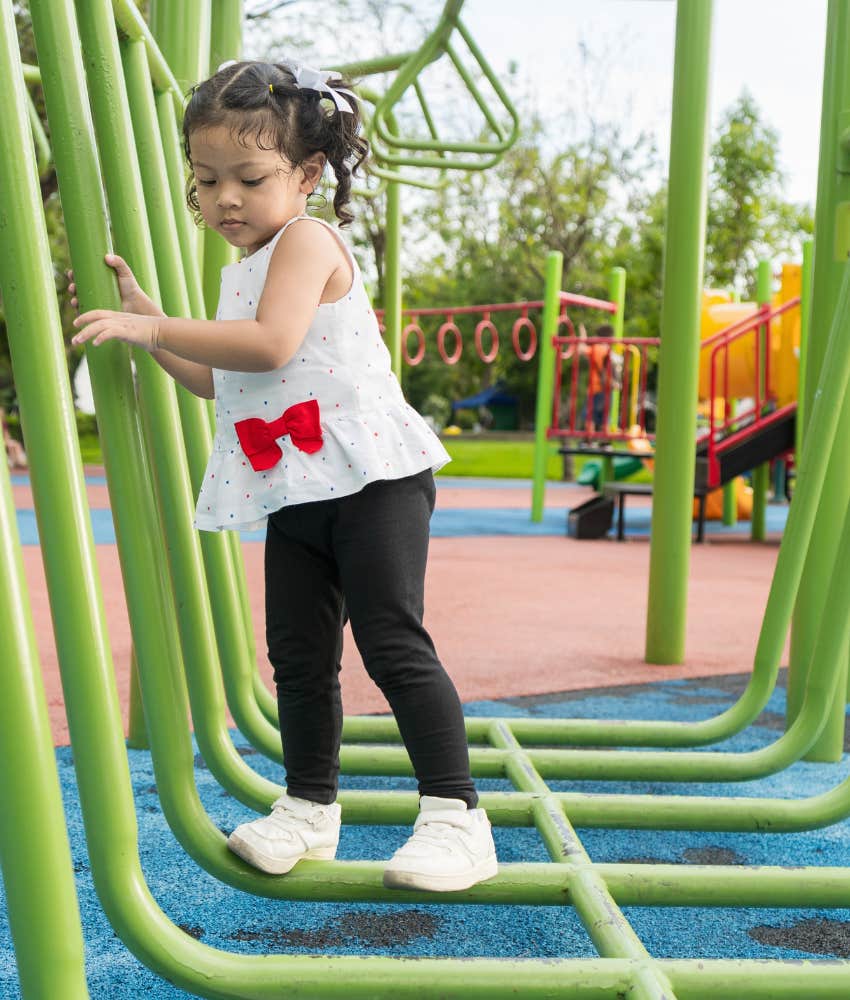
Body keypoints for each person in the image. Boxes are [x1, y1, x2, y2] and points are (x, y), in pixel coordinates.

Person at [68, 59, 497, 893]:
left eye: (249, 178)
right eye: (206, 180)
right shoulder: (243, 269)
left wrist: (150, 326)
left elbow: (268, 345)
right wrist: (153, 324)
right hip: (297, 485)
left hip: (372, 479)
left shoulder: (306, 240)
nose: (225, 198)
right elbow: (222, 379)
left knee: (391, 642)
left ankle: (457, 815)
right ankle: (309, 809)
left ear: (305, 175)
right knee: (298, 658)